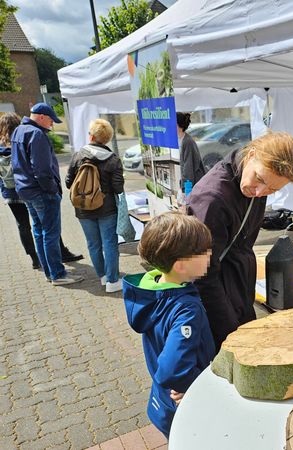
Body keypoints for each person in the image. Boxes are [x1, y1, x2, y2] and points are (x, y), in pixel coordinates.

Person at [187, 132, 293, 349]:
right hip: (214, 300)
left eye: (272, 189)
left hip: (239, 288)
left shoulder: (255, 181)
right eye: (259, 179)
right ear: (251, 155)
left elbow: (241, 245)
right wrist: (229, 329)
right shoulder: (212, 199)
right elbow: (202, 275)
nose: (260, 192)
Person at [123, 211, 215, 438]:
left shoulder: (151, 289)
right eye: (204, 253)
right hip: (184, 411)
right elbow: (171, 369)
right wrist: (194, 387)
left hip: (162, 402)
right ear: (181, 266)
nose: (210, 255)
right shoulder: (185, 309)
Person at [11, 103, 83, 285]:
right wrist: (51, 190)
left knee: (39, 232)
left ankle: (50, 272)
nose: (52, 124)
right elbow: (41, 169)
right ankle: (58, 274)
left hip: (26, 191)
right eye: (51, 120)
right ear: (41, 117)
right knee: (50, 233)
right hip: (42, 192)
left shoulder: (18, 131)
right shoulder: (36, 134)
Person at [65, 119, 125, 293]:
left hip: (83, 208)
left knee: (93, 244)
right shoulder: (113, 160)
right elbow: (118, 187)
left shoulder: (77, 156)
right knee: (110, 243)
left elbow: (69, 183)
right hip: (107, 209)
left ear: (91, 135)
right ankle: (113, 281)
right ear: (106, 139)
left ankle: (103, 277)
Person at [176, 112, 206, 190]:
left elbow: (188, 169)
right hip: (191, 184)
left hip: (194, 185)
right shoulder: (181, 139)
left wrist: (186, 190)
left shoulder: (187, 141)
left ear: (178, 125)